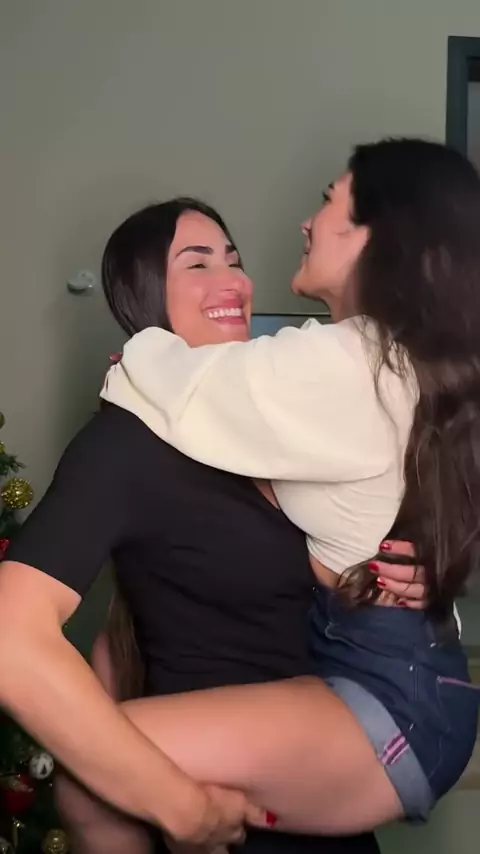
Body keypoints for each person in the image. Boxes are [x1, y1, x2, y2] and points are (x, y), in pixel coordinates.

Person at [0, 197, 421, 854]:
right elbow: (11, 636)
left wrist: (405, 575)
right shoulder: (126, 442)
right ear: (145, 295)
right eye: (197, 264)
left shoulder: (283, 432)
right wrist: (179, 805)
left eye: (234, 259)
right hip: (213, 810)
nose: (233, 281)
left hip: (325, 796)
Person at [101, 139, 480, 831]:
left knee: (100, 762)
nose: (306, 222)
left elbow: (182, 382)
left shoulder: (345, 364)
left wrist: (140, 353)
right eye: (197, 263)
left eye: (329, 202)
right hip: (396, 676)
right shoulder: (382, 359)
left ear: (376, 236)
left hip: (391, 697)